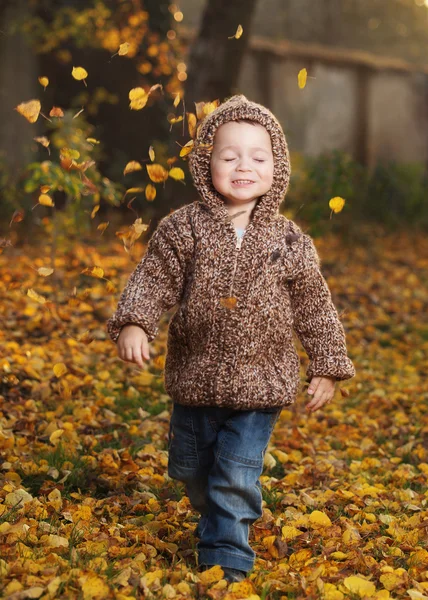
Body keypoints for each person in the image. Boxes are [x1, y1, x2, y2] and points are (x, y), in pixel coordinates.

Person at [106, 94, 356, 583]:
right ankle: (211, 512)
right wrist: (136, 320)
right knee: (194, 473)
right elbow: (154, 277)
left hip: (261, 384)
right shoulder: (184, 229)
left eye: (258, 157)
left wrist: (327, 363)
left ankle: (226, 561)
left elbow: (314, 306)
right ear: (206, 165)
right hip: (194, 377)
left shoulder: (289, 242)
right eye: (229, 156)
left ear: (276, 168)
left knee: (236, 476)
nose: (244, 166)